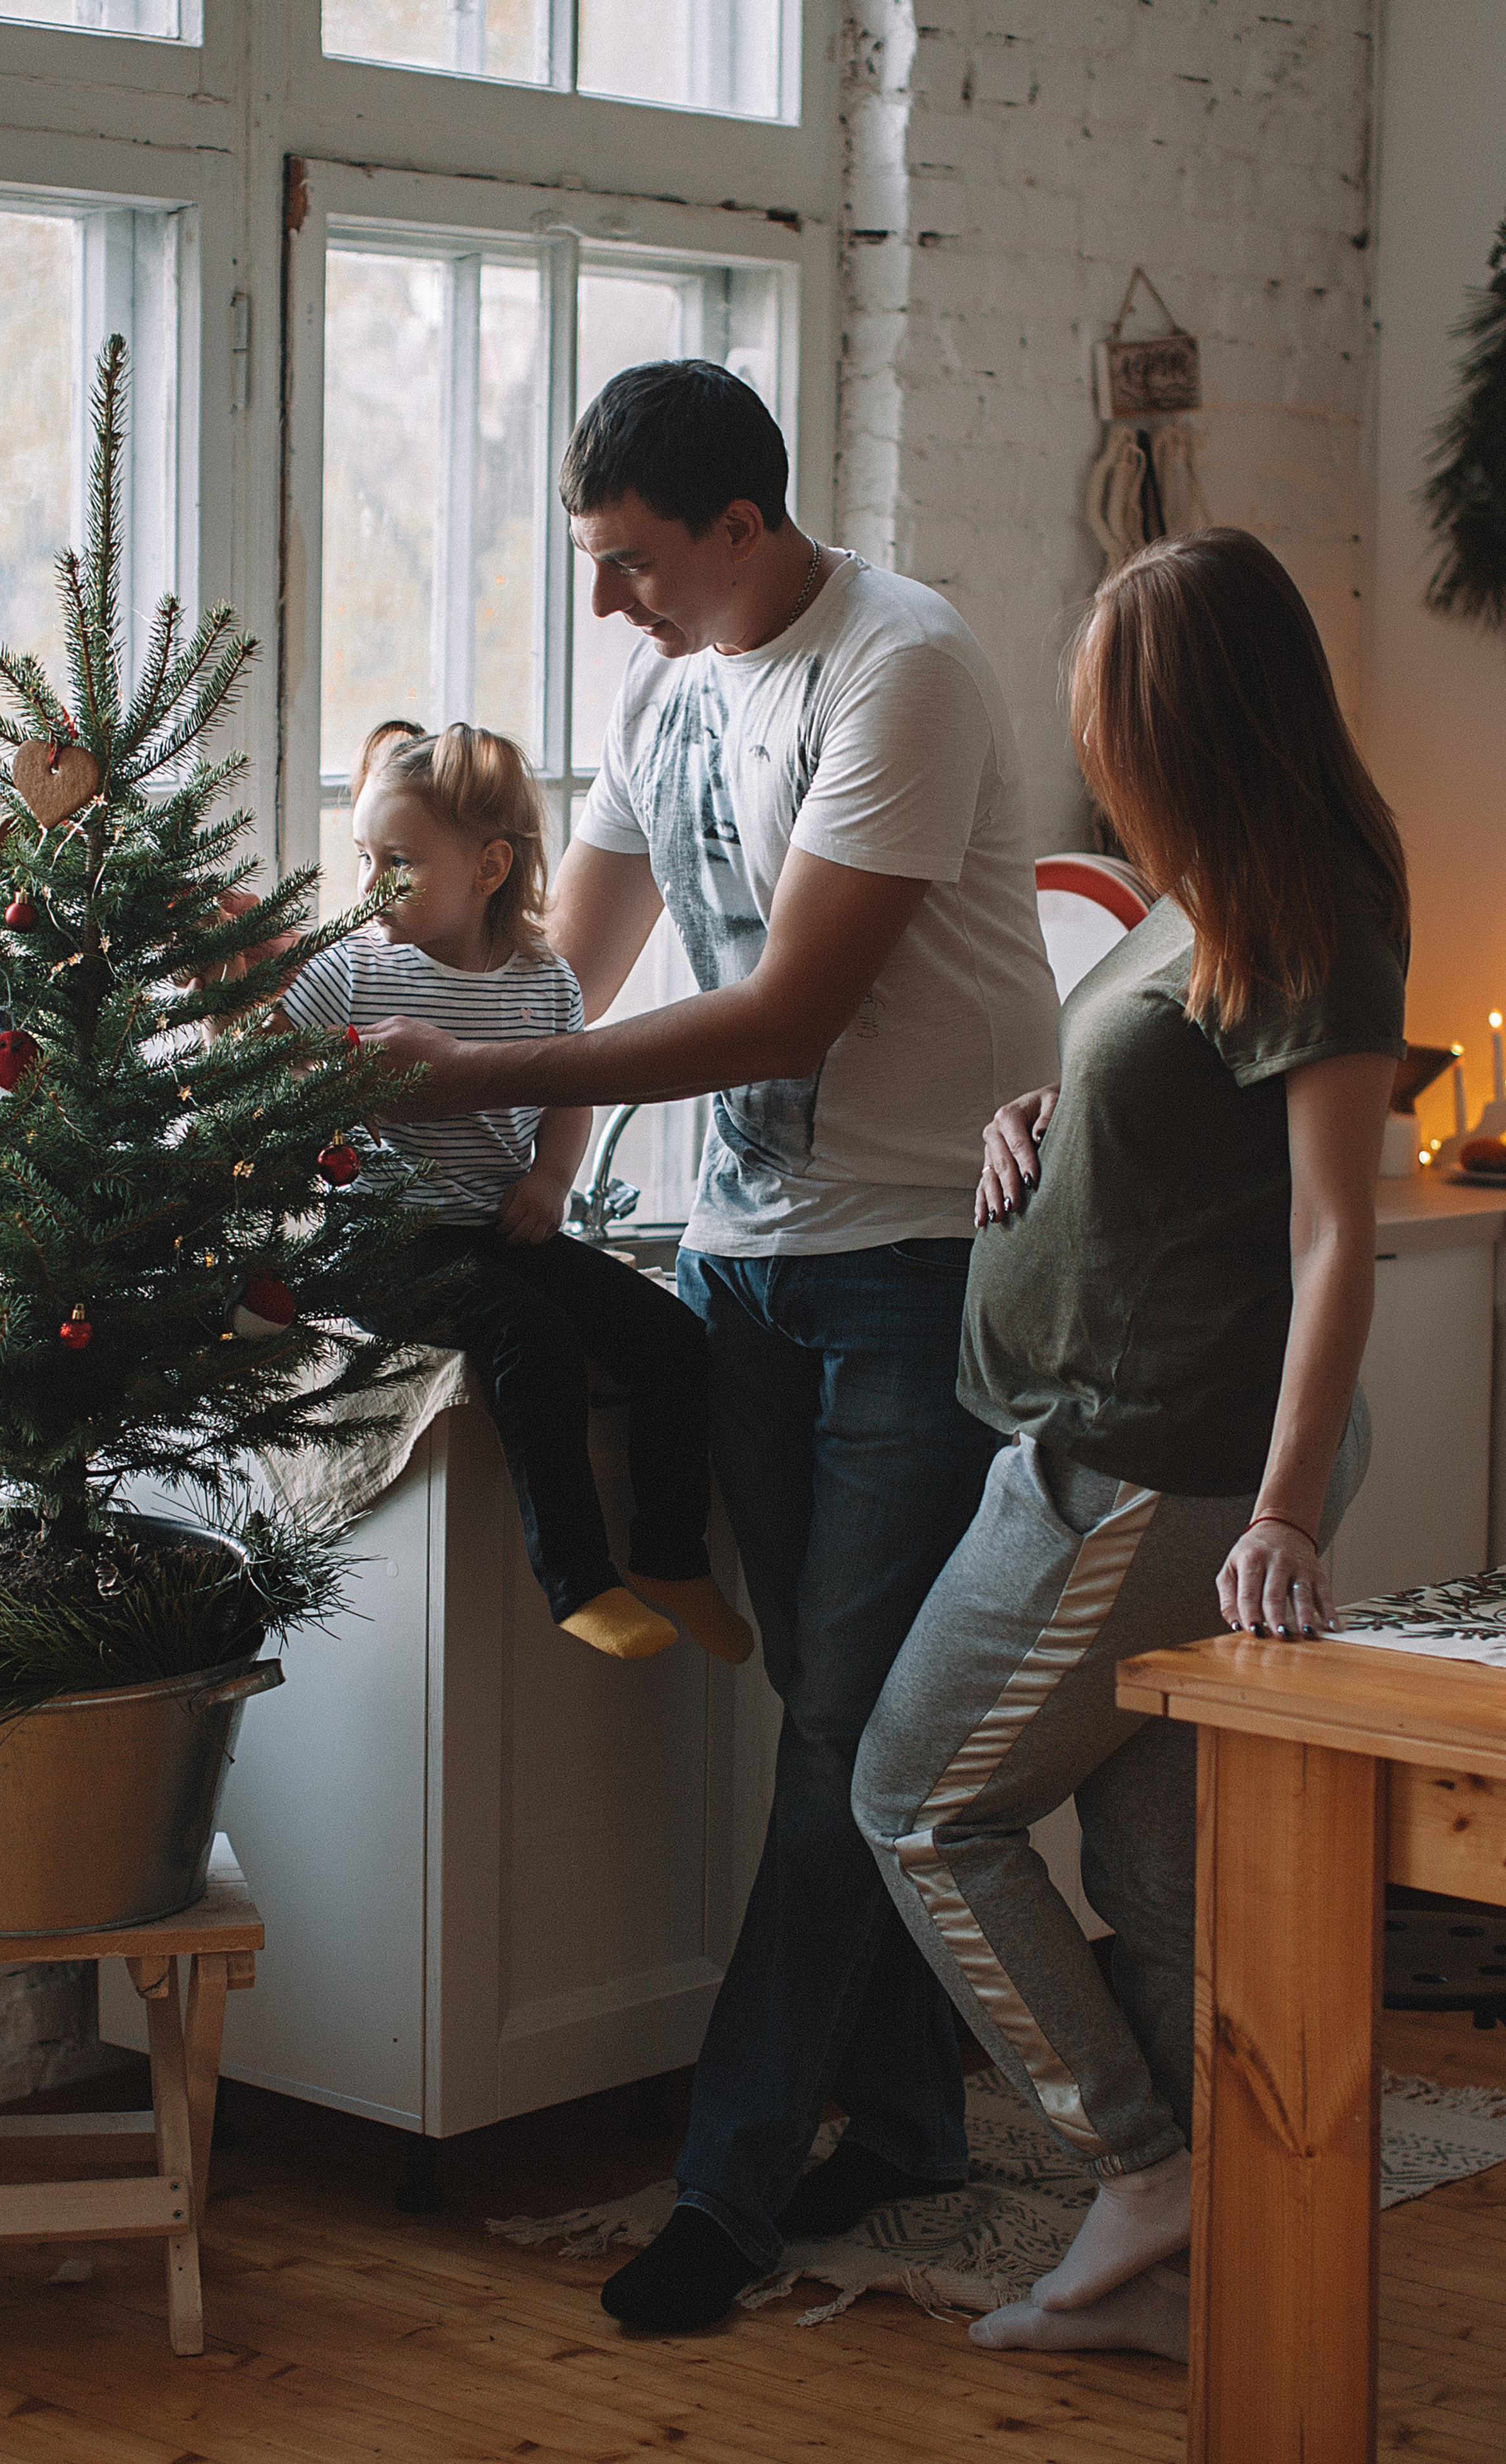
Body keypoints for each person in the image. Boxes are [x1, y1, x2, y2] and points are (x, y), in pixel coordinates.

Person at [355, 360, 1061, 2329]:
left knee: (851, 1727)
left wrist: (486, 1093)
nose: (610, 607)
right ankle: (913, 2121)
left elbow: (789, 1015)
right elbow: (578, 966)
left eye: (633, 563)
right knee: (846, 1721)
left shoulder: (897, 668)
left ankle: (727, 2189)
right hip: (745, 1267)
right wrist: (536, 1188)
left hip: (922, 1263)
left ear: (742, 528)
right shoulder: (672, 691)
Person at [851, 526, 1408, 2362]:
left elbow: (1338, 1229)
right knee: (1160, 1873)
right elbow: (1173, 1085)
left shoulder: (1307, 900)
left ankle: (1139, 2170)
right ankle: (1207, 2269)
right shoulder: (1206, 882)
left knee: (920, 1803)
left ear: (1184, 720)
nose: (1097, 752)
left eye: (1112, 716)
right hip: (1096, 1435)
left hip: (1151, 1467)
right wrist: (1044, 1112)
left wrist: (1282, 1512)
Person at [277, 719, 753, 1669]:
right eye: (364, 859)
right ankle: (577, 1581)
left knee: (670, 1338)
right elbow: (274, 1072)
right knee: (531, 1334)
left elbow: (567, 1092)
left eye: (397, 863)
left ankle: (668, 1555)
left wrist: (550, 1179)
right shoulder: (349, 972)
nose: (369, 887)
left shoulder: (544, 985)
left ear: (490, 866)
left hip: (498, 1224)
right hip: (385, 1240)